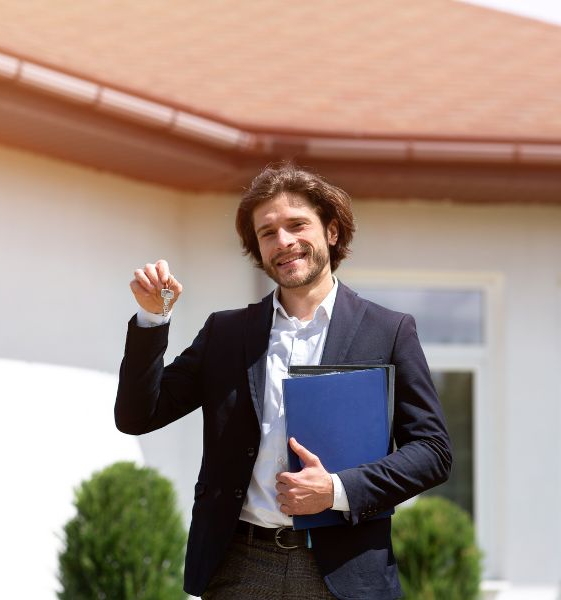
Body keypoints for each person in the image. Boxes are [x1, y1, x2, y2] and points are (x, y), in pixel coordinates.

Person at [115, 164, 452, 600]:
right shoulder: (226, 334)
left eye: (297, 225)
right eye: (267, 232)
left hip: (347, 571)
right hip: (240, 566)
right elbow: (139, 416)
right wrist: (152, 317)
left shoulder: (387, 331)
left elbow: (432, 452)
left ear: (331, 232)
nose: (284, 242)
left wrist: (336, 490)